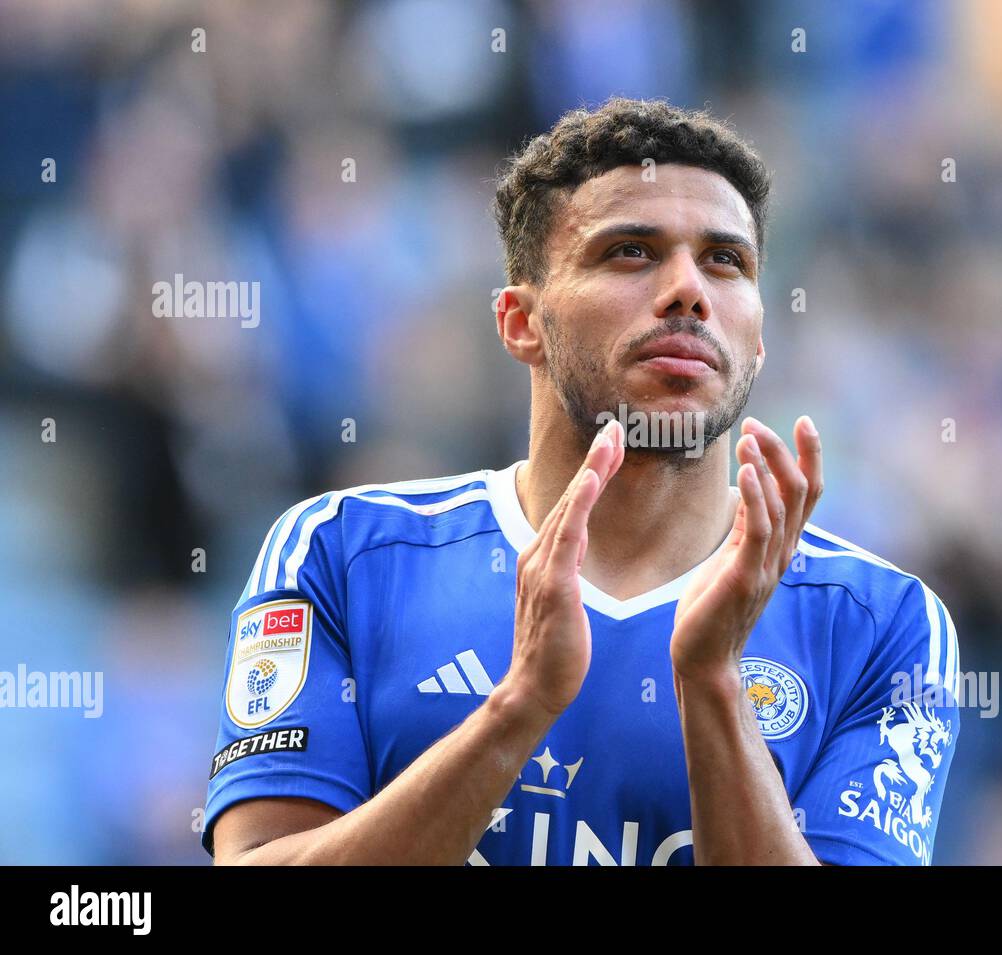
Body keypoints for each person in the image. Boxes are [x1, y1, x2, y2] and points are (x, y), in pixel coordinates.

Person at [203, 97, 961, 865]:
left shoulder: (882, 624)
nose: (688, 290)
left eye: (726, 260)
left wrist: (712, 683)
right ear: (519, 321)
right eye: (631, 251)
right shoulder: (342, 555)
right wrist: (517, 707)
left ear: (759, 339)